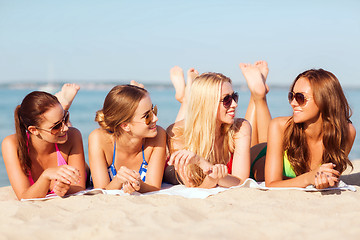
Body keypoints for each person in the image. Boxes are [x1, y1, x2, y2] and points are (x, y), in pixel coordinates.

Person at [164, 61, 271, 188]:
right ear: (208, 103)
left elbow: (240, 182)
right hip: (175, 169)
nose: (234, 104)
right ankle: (185, 98)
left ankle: (186, 95)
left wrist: (205, 165)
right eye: (226, 100)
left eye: (234, 97)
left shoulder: (240, 128)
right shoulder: (178, 134)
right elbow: (194, 185)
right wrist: (213, 174)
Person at [265, 69, 356, 189]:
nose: (293, 103)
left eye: (300, 97)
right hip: (258, 161)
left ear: (323, 100)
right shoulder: (279, 126)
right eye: (291, 96)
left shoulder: (346, 133)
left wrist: (323, 180)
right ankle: (259, 95)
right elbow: (271, 184)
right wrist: (309, 178)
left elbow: (331, 179)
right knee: (259, 138)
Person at [2, 84, 86, 200]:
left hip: (61, 142)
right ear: (33, 130)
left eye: (65, 118)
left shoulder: (73, 135)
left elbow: (80, 186)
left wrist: (64, 188)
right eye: (56, 126)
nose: (65, 128)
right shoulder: (11, 144)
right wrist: (46, 176)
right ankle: (63, 107)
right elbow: (24, 196)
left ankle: (63, 108)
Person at [88, 84, 166, 193]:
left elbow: (154, 186)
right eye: (147, 116)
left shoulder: (158, 135)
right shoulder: (99, 139)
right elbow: (100, 191)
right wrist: (118, 181)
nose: (156, 118)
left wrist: (139, 186)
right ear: (125, 125)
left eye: (154, 110)